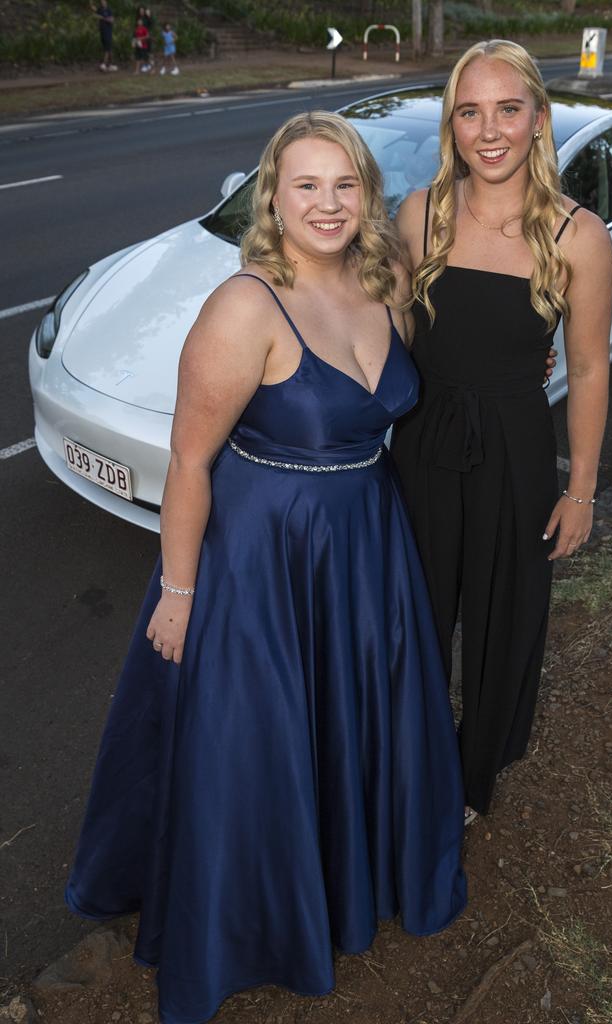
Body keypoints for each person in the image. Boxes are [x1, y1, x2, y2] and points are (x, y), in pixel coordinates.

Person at [65, 111, 467, 1024]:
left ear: (364, 193)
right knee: (259, 746)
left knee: (355, 721)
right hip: (265, 559)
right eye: (305, 186)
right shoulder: (245, 306)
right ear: (273, 199)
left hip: (367, 541)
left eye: (343, 184)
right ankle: (257, 923)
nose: (326, 204)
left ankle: (351, 873)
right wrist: (178, 590)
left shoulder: (386, 278)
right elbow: (189, 463)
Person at [391, 39, 612, 823]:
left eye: (508, 110)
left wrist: (580, 489)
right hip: (420, 444)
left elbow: (587, 369)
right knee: (411, 617)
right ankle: (403, 764)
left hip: (517, 452)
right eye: (470, 111)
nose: (490, 131)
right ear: (452, 124)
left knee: (502, 623)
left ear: (539, 121)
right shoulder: (419, 215)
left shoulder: (578, 237)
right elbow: (382, 339)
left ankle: (471, 779)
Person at [93, 2, 116, 72]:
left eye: (103, 1)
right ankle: (111, 65)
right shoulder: (100, 9)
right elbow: (94, 12)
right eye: (101, 1)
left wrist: (102, 18)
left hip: (108, 32)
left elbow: (112, 20)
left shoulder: (109, 10)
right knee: (108, 48)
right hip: (102, 32)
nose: (102, 2)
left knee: (107, 48)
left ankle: (104, 64)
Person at [137, 4, 155, 71]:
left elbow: (151, 24)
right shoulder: (138, 18)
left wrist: (149, 15)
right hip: (141, 38)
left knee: (149, 52)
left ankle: (152, 67)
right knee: (143, 52)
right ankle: (145, 65)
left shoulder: (147, 17)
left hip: (147, 37)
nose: (141, 12)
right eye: (140, 11)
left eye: (142, 10)